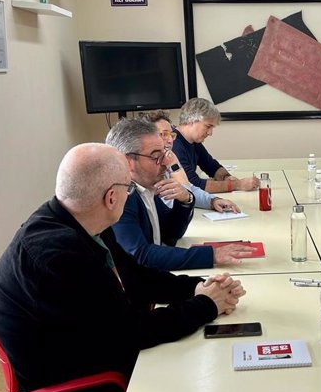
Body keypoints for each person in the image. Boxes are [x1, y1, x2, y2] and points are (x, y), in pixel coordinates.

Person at [0, 143, 246, 392]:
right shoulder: (57, 254)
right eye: (127, 189)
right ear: (111, 197)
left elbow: (137, 278)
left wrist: (198, 287)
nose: (129, 196)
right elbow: (130, 334)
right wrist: (206, 305)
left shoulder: (77, 219)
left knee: (200, 359)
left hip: (83, 362)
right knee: (204, 390)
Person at [106, 118, 255, 270]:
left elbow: (170, 236)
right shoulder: (121, 196)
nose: (165, 162)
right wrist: (212, 255)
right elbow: (141, 256)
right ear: (128, 162)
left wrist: (185, 200)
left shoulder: (146, 188)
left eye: (164, 153)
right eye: (156, 156)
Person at [138, 109, 241, 214]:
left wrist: (213, 201)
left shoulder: (167, 158)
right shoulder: (142, 170)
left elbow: (188, 188)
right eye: (164, 134)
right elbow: (176, 201)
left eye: (171, 135)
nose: (170, 140)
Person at [172, 98, 259, 193]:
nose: (210, 133)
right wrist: (238, 184)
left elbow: (212, 166)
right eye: (208, 126)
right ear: (191, 121)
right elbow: (193, 185)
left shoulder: (194, 142)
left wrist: (227, 177)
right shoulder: (173, 144)